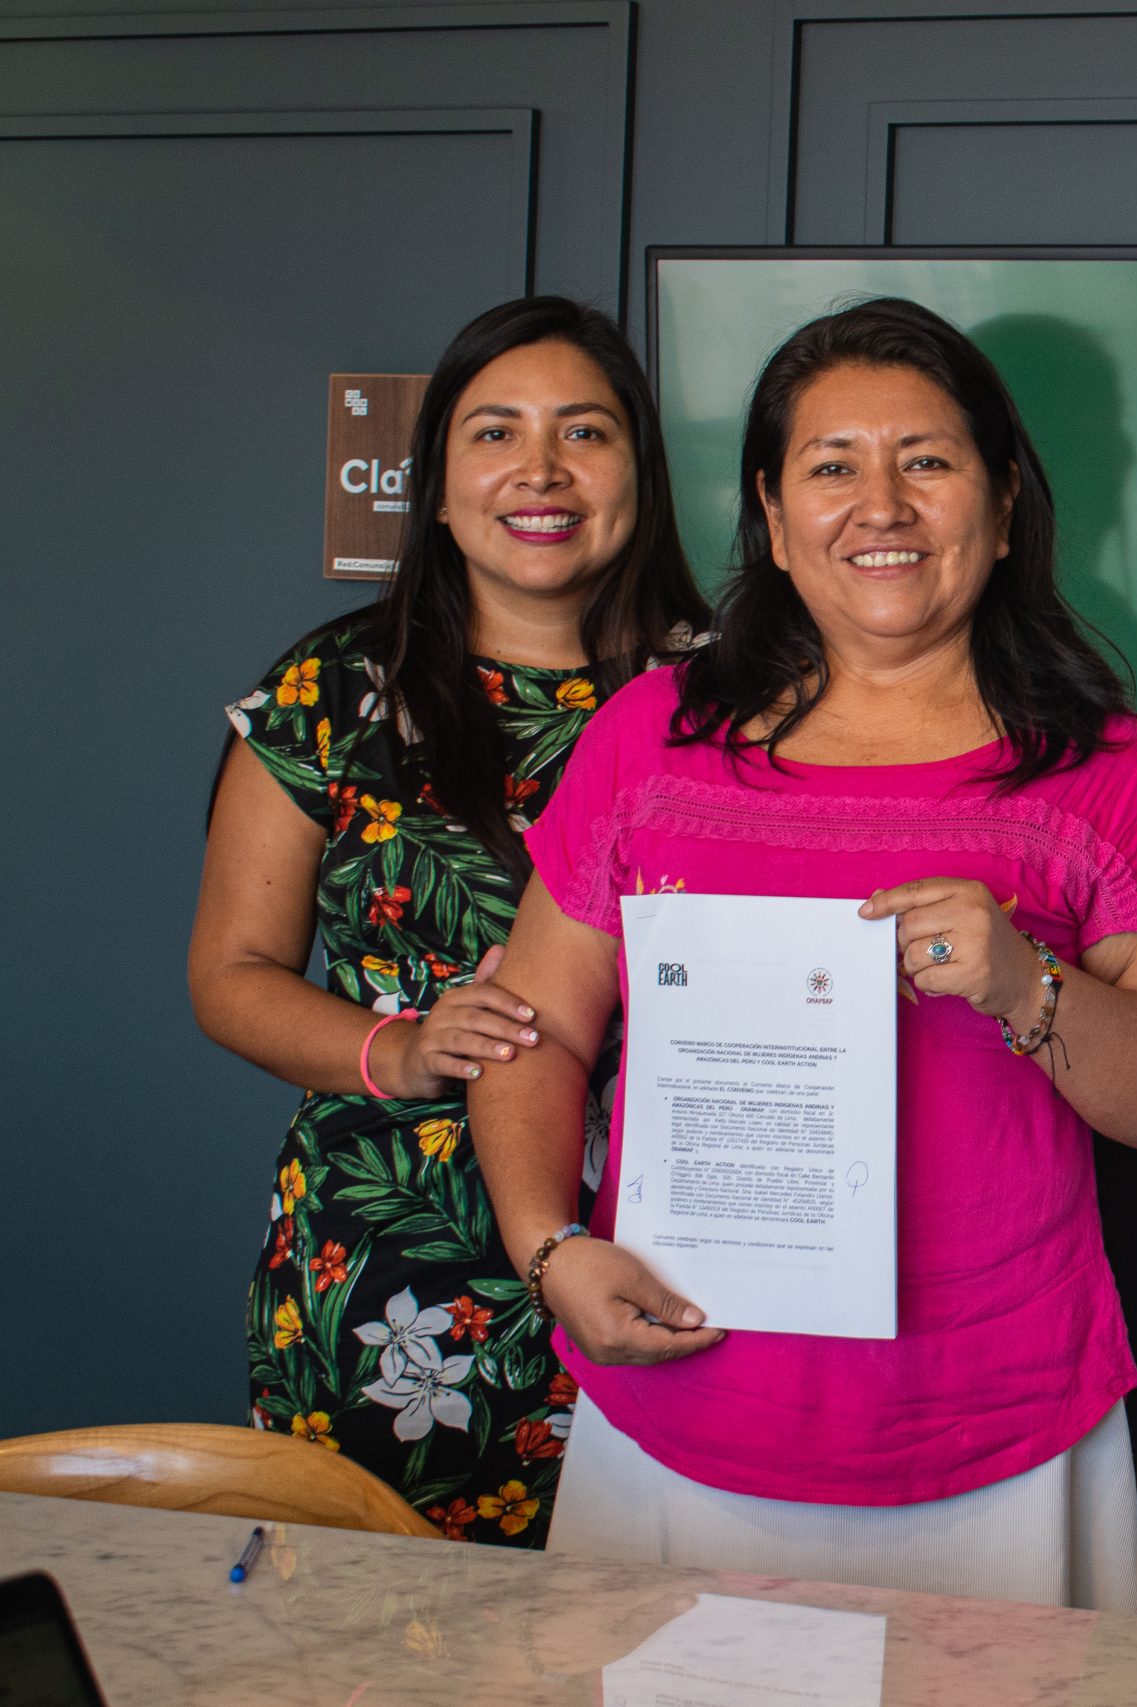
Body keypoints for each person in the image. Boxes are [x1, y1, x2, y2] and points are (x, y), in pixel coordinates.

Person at [467, 298, 1137, 1610]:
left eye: (927, 461)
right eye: (832, 466)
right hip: (681, 1401)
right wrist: (546, 1246)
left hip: (996, 1435)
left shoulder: (1111, 766)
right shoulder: (653, 738)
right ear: (771, 515)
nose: (880, 504)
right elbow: (527, 1023)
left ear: (1001, 504)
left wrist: (1029, 986)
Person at [192, 296, 710, 1544]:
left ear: (640, 469)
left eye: (584, 432)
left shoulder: (733, 698)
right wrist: (402, 1048)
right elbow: (231, 972)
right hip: (394, 1271)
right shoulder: (331, 693)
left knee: (663, 1639)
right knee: (379, 1648)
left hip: (677, 1241)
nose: (540, 471)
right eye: (495, 434)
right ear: (436, 487)